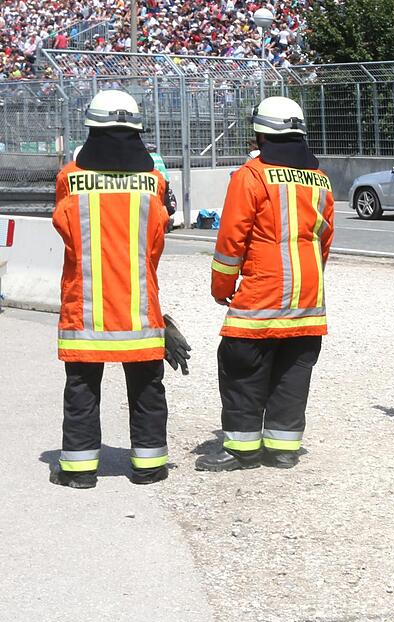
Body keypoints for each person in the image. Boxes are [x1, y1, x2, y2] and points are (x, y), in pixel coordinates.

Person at [50, 90, 187, 489]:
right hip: (140, 309)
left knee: (81, 388)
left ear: (91, 128)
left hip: (85, 310)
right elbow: (156, 244)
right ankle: (149, 467)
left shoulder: (70, 179)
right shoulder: (153, 182)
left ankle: (79, 472)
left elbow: (66, 235)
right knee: (147, 388)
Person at [196, 96, 334, 472]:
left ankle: (242, 449)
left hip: (262, 295)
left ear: (261, 133)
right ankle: (283, 449)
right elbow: (324, 240)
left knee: (241, 366)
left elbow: (231, 240)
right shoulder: (320, 180)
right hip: (308, 298)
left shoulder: (251, 176)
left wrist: (222, 287)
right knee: (293, 372)